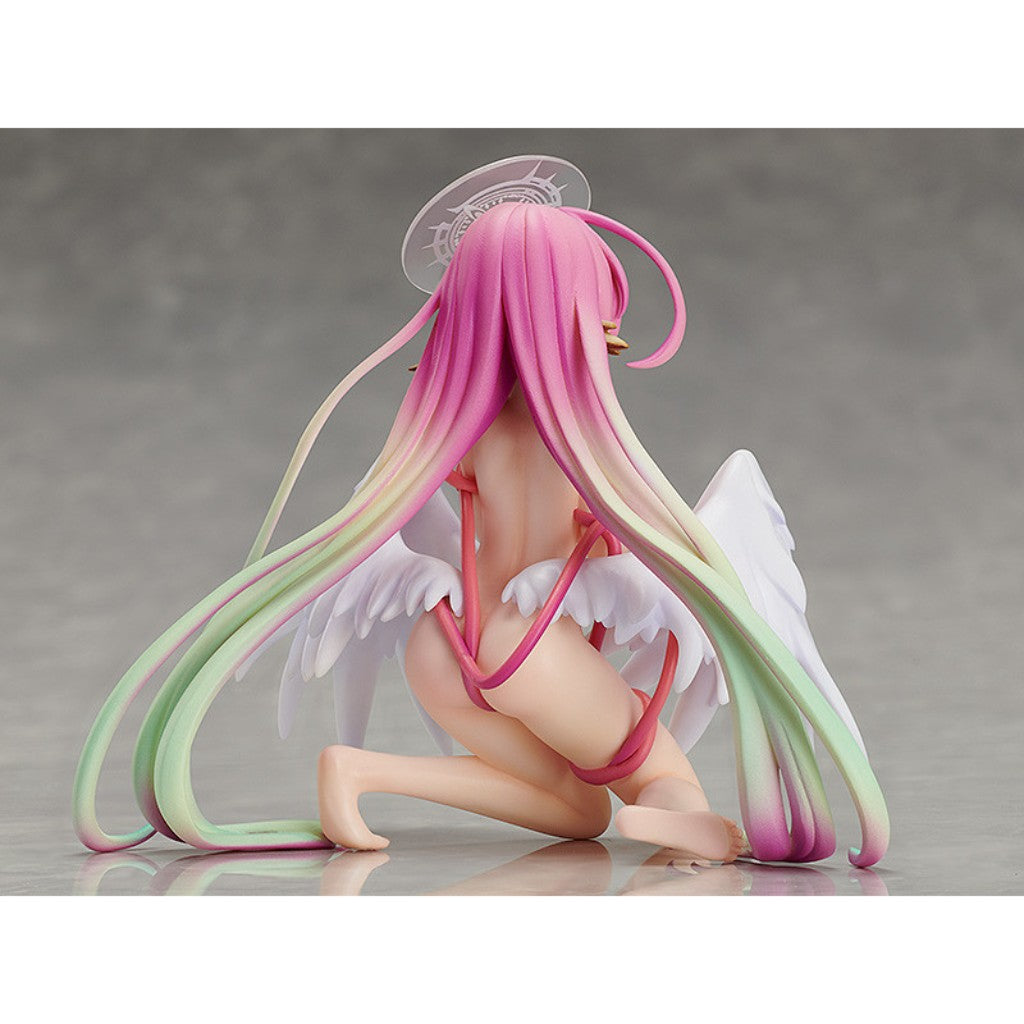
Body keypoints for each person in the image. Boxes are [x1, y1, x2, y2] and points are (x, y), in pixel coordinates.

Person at [74, 160, 889, 868]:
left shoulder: (450, 436)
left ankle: (358, 771)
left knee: (577, 811)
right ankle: (680, 829)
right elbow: (633, 547)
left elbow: (405, 518)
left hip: (445, 641)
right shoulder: (585, 437)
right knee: (664, 778)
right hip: (527, 645)